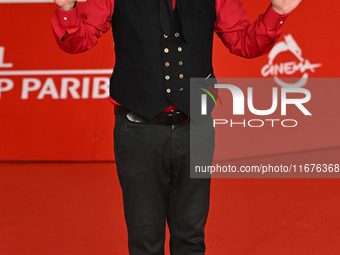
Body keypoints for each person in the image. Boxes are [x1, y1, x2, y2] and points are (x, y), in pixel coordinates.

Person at [51, 0, 301, 254]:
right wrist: (67, 7)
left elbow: (244, 43)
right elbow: (77, 41)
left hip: (196, 130)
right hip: (138, 132)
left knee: (191, 239)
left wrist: (278, 12)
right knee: (144, 241)